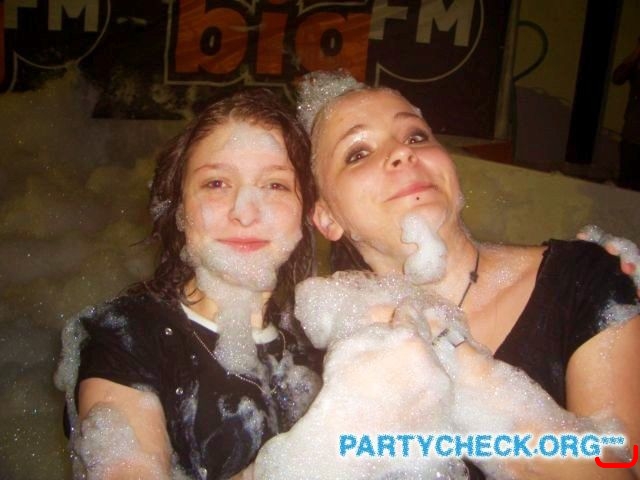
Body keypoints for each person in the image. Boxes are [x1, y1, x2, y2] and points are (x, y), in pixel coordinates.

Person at [298, 70, 640, 479]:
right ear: (327, 218)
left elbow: (621, 465)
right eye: (358, 153)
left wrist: (464, 371)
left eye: (416, 136)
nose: (402, 152)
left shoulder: (583, 278)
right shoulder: (333, 356)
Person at [56, 88, 322, 479]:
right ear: (178, 207)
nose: (245, 212)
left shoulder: (317, 343)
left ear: (307, 210)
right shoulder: (126, 336)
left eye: (275, 185)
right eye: (216, 183)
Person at [612, 35, 640, 191]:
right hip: (632, 134)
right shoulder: (636, 66)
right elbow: (618, 78)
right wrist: (636, 53)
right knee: (627, 183)